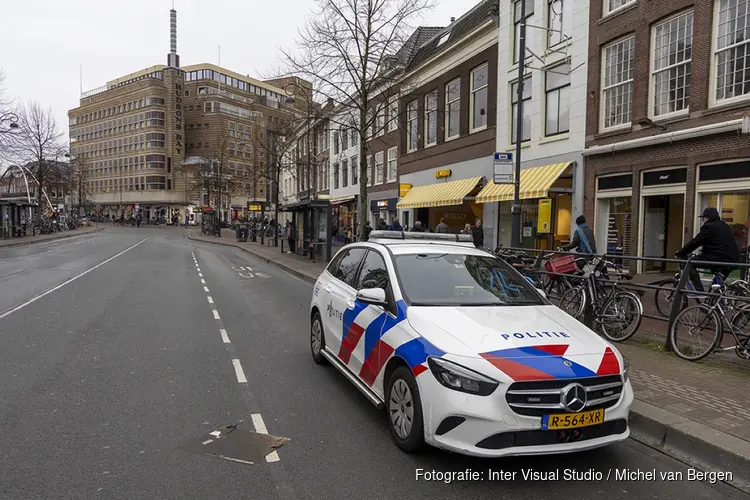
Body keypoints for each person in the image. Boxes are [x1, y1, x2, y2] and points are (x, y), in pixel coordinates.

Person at [675, 207, 739, 292]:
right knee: (716, 287)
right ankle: (713, 301)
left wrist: (680, 253)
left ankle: (699, 291)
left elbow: (695, 242)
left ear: (707, 217)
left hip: (718, 258)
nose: (702, 220)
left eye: (702, 218)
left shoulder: (709, 227)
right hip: (732, 260)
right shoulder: (725, 225)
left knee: (690, 264)